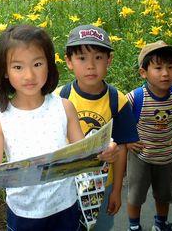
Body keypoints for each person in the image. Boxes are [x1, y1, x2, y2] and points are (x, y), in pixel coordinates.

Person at [0, 25, 118, 231]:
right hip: (23, 213)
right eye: (18, 67)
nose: (29, 75)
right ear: (4, 71)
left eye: (37, 64)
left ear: (49, 64)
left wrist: (105, 150)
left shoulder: (64, 107)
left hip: (66, 205)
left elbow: (85, 153)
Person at [57, 24, 139, 230]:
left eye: (98, 58)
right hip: (66, 185)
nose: (91, 66)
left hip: (102, 186)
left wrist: (116, 190)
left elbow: (121, 149)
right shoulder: (58, 98)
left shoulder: (116, 100)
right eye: (82, 58)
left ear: (109, 60)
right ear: (69, 61)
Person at [126, 40, 172, 231]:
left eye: (170, 67)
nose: (166, 73)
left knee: (164, 195)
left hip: (167, 157)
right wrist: (128, 141)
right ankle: (134, 227)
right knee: (135, 195)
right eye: (158, 67)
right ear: (143, 72)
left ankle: (160, 224)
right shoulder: (136, 97)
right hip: (141, 157)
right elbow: (120, 121)